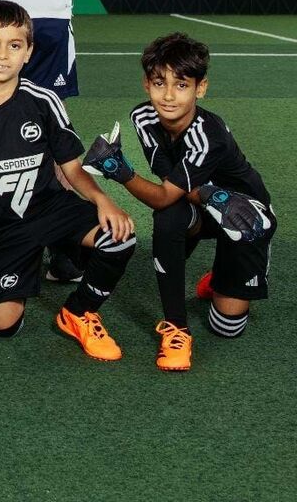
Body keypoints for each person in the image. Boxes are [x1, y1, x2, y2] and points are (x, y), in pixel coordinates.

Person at [0, 0, 136, 359]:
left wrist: (103, 200)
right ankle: (31, 261)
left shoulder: (43, 100)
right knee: (3, 325)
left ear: (28, 52)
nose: (2, 54)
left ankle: (79, 311)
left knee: (120, 238)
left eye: (14, 45)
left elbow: (72, 168)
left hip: (49, 209)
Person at [82, 32, 276, 372]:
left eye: (182, 85)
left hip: (243, 215)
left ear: (200, 88)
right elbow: (168, 190)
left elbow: (161, 193)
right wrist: (205, 194)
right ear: (146, 84)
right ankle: (177, 329)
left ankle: (222, 275)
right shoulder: (143, 119)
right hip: (202, 203)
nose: (169, 96)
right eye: (159, 83)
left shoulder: (208, 136)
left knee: (226, 328)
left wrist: (118, 170)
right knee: (169, 217)